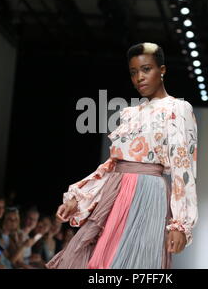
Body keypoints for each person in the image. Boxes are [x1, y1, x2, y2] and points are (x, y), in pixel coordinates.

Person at [46, 42, 198, 269]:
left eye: (146, 69)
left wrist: (180, 224)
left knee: (135, 263)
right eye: (134, 72)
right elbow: (111, 165)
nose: (139, 78)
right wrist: (78, 197)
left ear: (162, 70)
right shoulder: (129, 113)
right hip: (116, 191)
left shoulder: (178, 108)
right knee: (96, 260)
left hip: (148, 193)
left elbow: (183, 168)